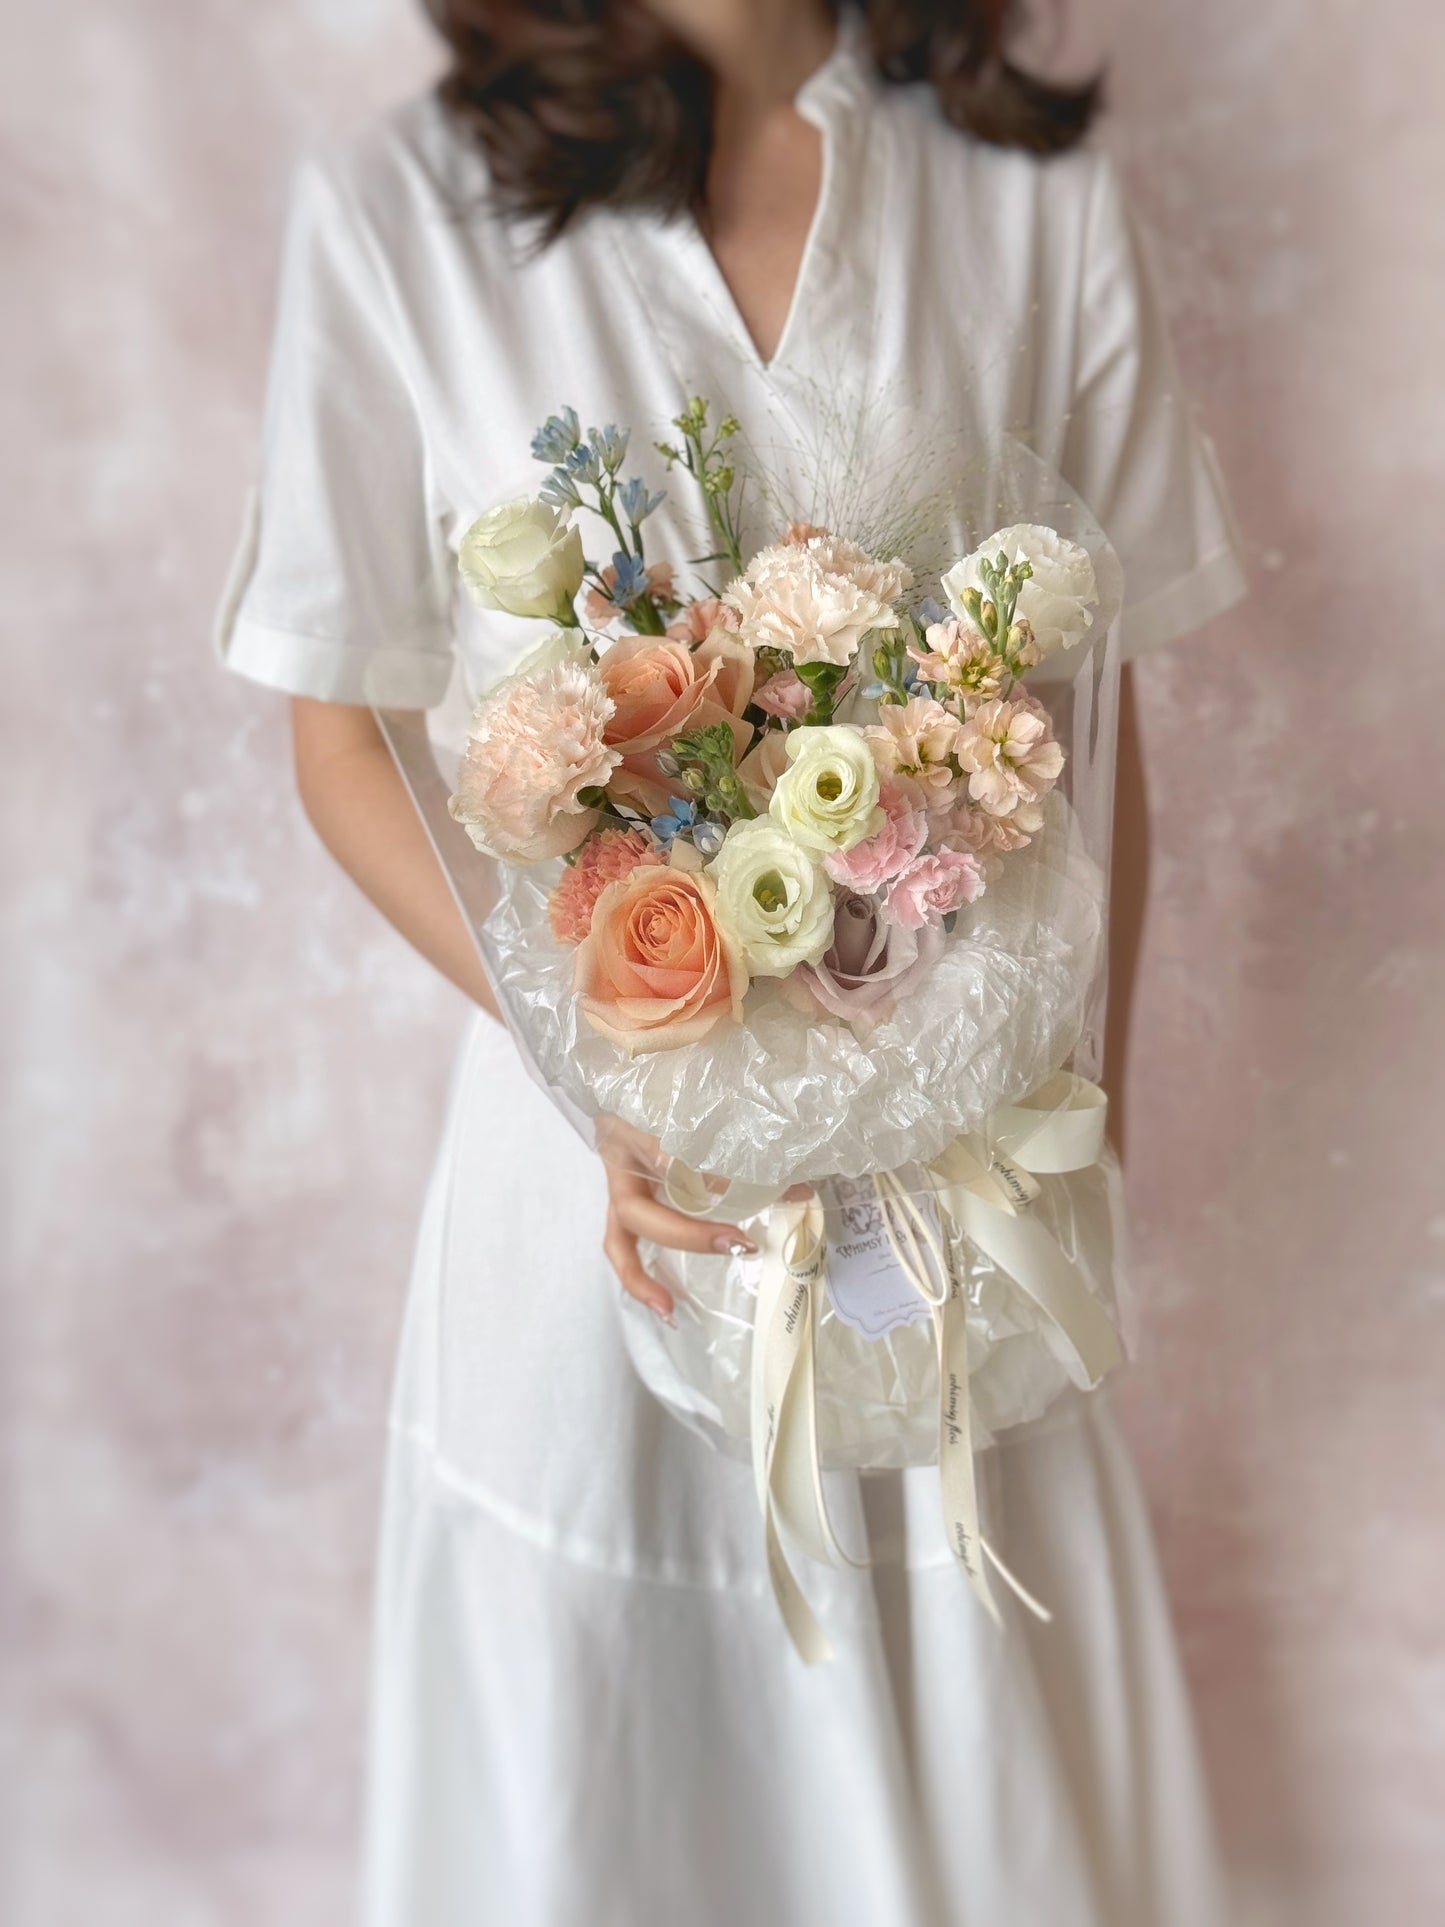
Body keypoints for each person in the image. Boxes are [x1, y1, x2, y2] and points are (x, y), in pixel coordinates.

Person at [216, 3, 1247, 1921]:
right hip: (601, 1202)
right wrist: (590, 1065)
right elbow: (340, 744)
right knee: (607, 1787)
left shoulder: (1018, 177)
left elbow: (1092, 729)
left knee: (970, 1734)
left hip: (953, 1221)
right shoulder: (403, 211)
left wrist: (1065, 1148)